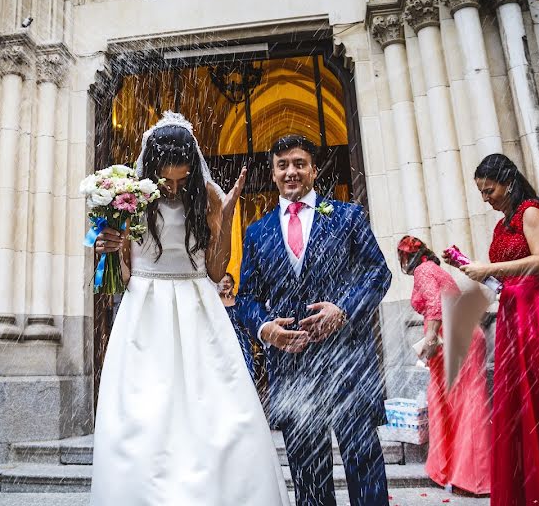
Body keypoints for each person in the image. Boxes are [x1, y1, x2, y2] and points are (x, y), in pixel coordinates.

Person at [89, 112, 289, 506]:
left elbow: (215, 271)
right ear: (151, 169)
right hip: (145, 314)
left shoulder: (208, 198)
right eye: (167, 180)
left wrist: (227, 215)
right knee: (144, 417)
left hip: (199, 309)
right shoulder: (131, 204)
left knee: (218, 414)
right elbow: (127, 276)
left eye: (183, 179)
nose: (175, 188)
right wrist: (109, 249)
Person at [235, 134, 392, 506]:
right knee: (308, 473)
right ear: (273, 174)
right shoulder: (257, 233)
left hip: (348, 361)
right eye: (282, 165)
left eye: (299, 164)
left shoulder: (347, 216)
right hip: (291, 368)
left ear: (314, 170)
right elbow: (246, 299)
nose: (291, 172)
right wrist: (264, 329)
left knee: (363, 460)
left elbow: (378, 274)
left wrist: (343, 310)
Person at [452, 153, 539, 506]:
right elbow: (505, 272)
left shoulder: (532, 211)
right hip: (515, 314)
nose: (486, 198)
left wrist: (489, 269)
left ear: (509, 183)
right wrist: (470, 266)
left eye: (490, 190)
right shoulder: (503, 225)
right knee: (525, 408)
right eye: (482, 193)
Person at [397, 235, 490, 495]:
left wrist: (429, 340)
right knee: (454, 400)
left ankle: (471, 478)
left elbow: (435, 304)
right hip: (460, 332)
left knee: (463, 402)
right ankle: (452, 470)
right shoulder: (434, 268)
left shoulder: (424, 270)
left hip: (451, 335)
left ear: (406, 257)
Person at [219, 272, 255, 379]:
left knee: (245, 371)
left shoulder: (241, 302)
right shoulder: (214, 302)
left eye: (228, 282)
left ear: (233, 284)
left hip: (242, 342)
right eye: (223, 282)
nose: (225, 284)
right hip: (222, 341)